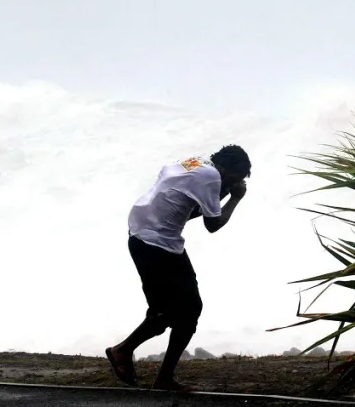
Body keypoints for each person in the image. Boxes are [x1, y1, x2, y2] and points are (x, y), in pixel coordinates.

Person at [105, 144, 251, 392]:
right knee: (168, 313)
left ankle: (160, 376)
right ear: (229, 170)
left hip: (146, 234)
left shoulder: (196, 163)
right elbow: (213, 224)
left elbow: (187, 208)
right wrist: (235, 198)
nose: (233, 183)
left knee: (184, 310)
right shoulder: (211, 178)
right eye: (236, 178)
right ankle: (123, 352)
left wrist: (223, 191)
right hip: (155, 243)